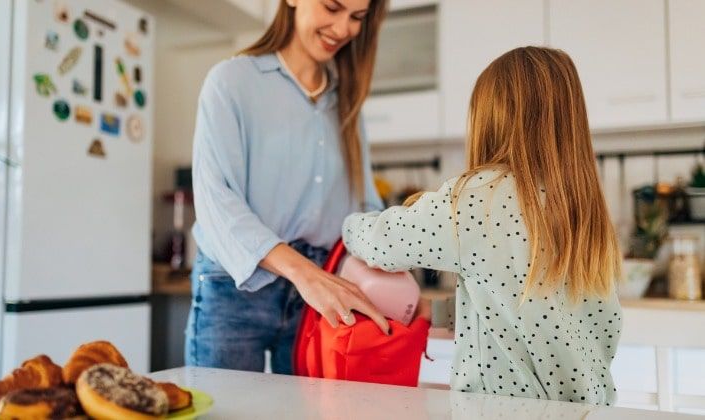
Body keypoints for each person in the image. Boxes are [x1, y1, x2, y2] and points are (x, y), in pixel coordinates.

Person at [341, 46, 622, 405]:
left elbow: (383, 243)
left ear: (490, 119)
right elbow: (538, 311)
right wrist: (441, 312)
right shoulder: (582, 205)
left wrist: (349, 222)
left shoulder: (478, 198)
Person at [185, 0, 391, 374]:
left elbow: (365, 207)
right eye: (333, 7)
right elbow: (217, 200)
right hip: (235, 290)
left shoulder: (346, 103)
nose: (344, 28)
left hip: (317, 296)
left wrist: (400, 275)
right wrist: (303, 273)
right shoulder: (232, 81)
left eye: (357, 17)